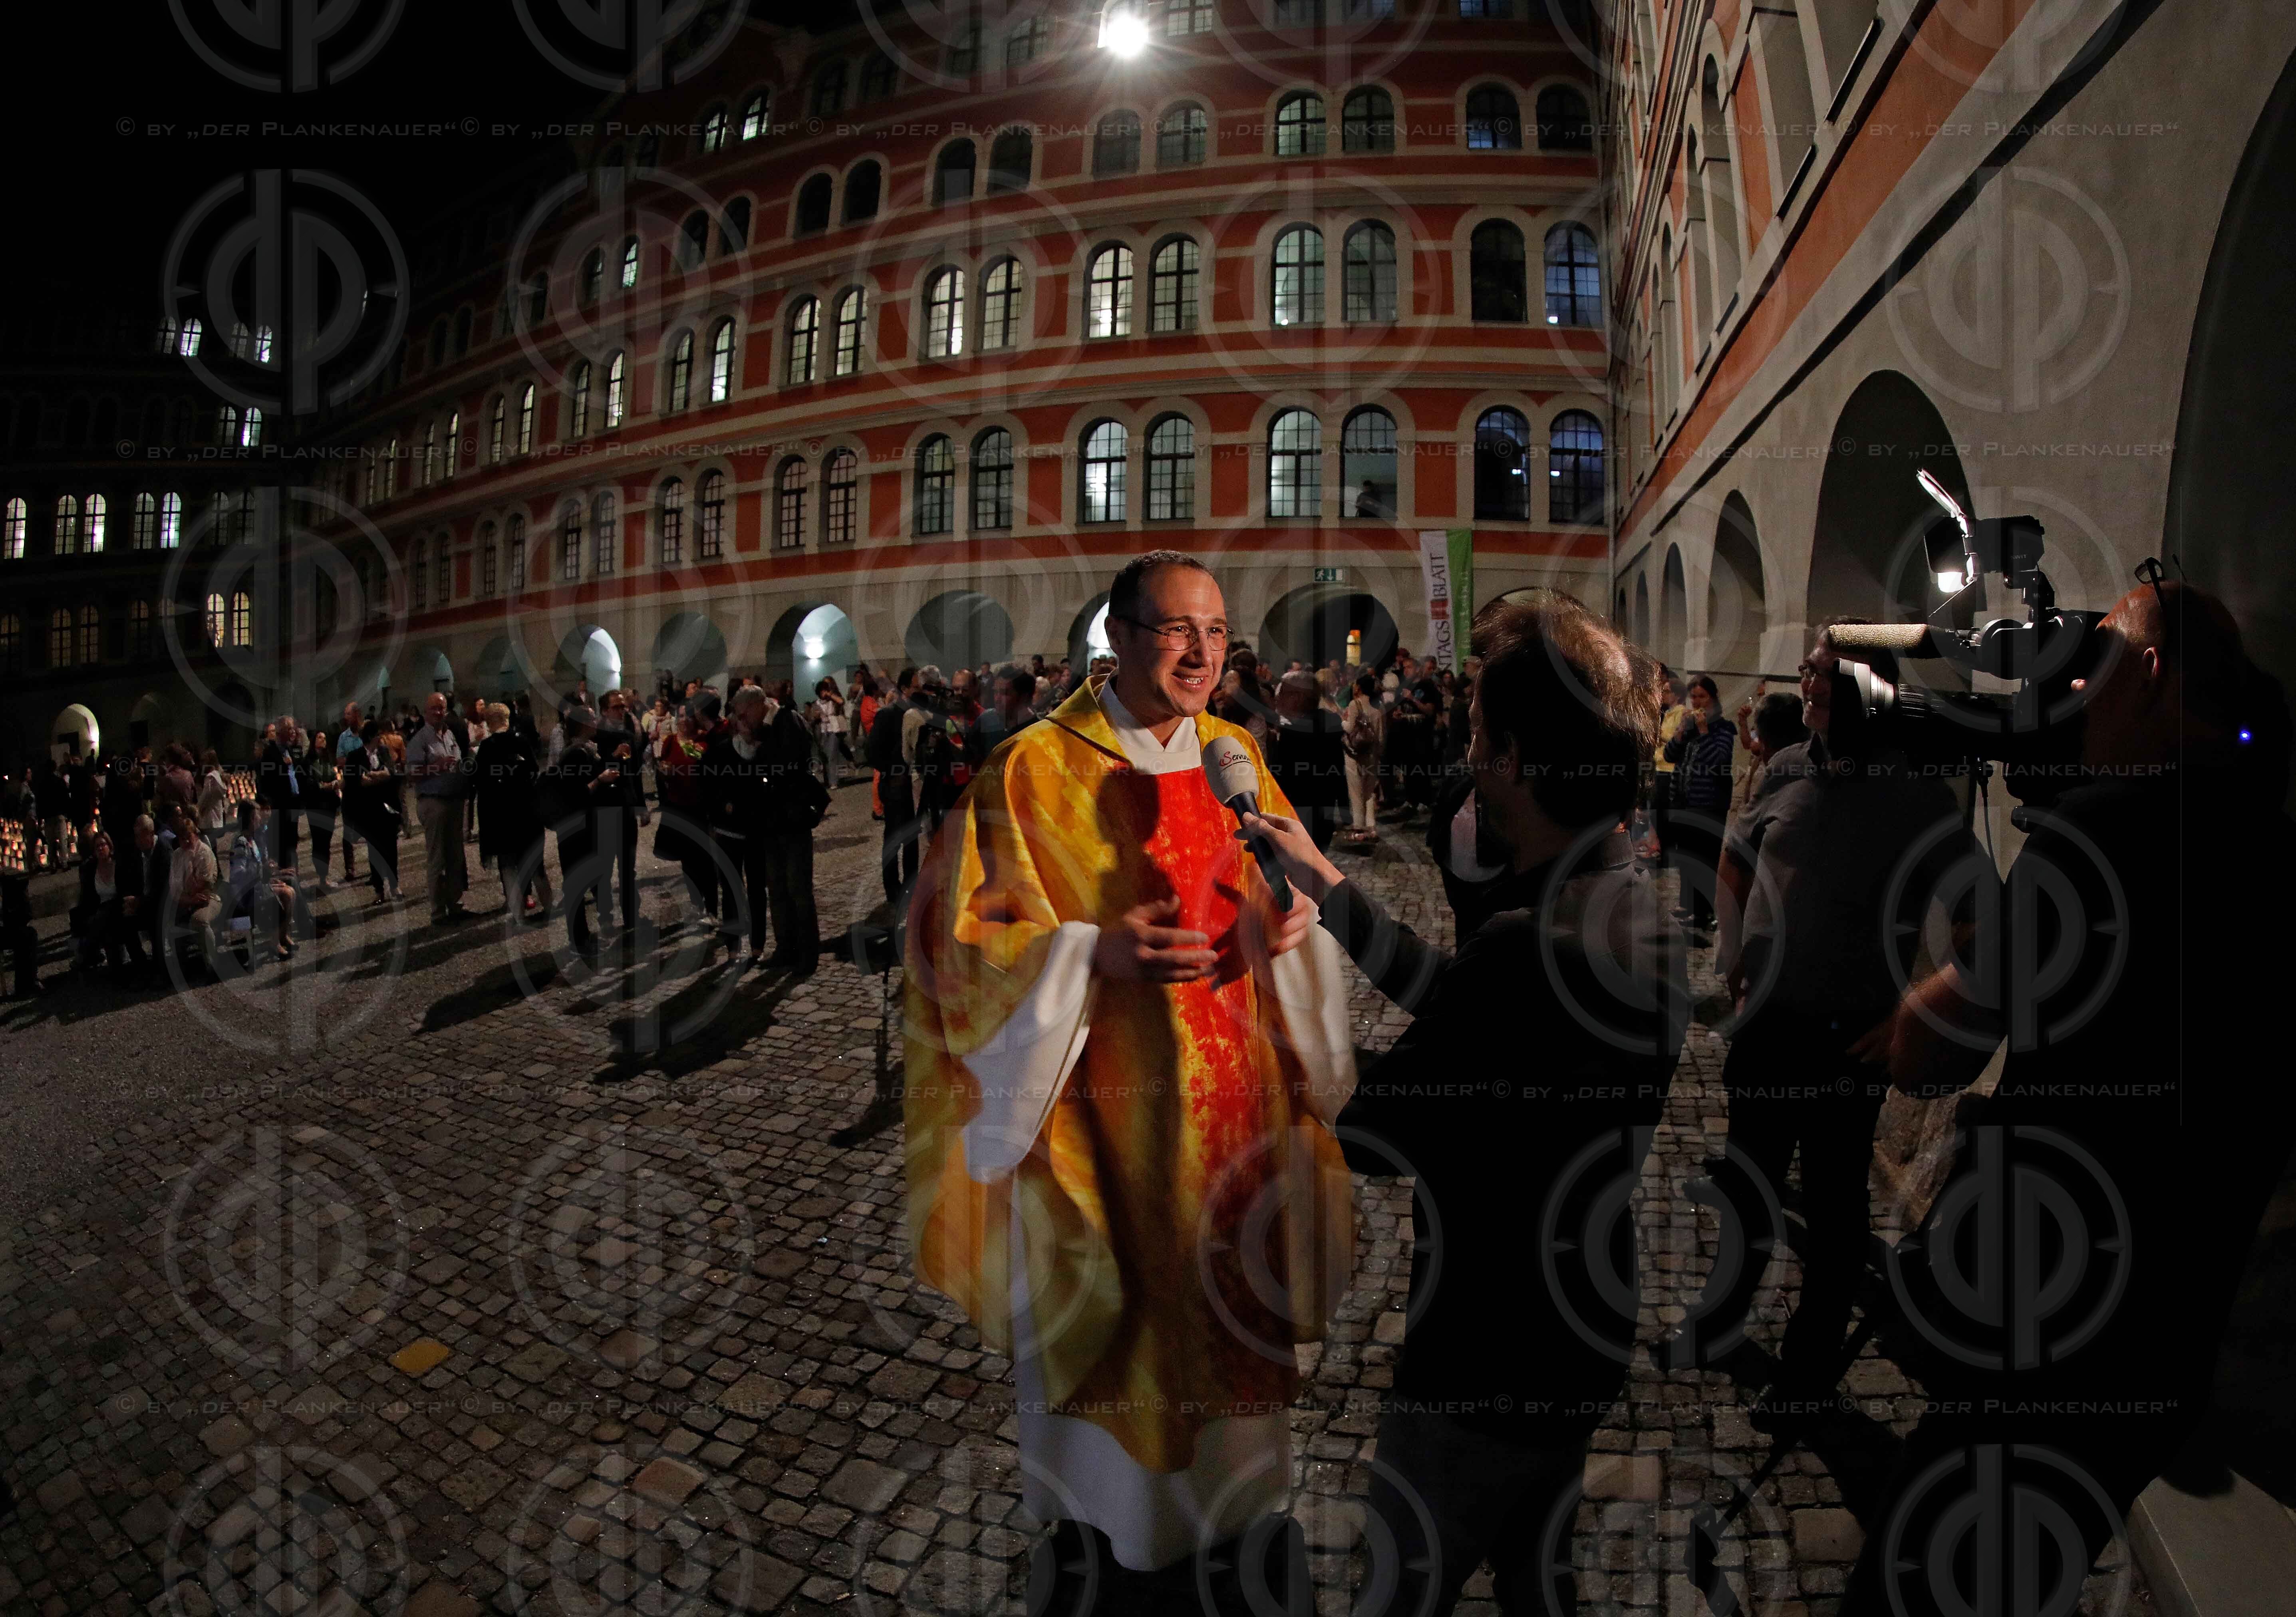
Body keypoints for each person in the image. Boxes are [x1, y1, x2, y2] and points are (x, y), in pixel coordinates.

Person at [1835, 579, 2295, 1616]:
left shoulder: (2099, 840)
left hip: (2039, 1346)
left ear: (2155, 675)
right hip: (2162, 1352)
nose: (2078, 689)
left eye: (2104, 661)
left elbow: (1922, 1051)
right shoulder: (2271, 850)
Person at [904, 550, 1340, 1612]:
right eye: (1175, 630)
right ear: (1120, 636)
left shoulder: (1237, 753)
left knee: (1230, 1306)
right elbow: (952, 943)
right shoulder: (1032, 768)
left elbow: (1286, 882)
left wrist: (1288, 916)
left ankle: (1233, 1506)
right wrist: (1083, 954)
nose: (1201, 652)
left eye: (1217, 632)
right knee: (1123, 1313)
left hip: (1235, 1115)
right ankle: (1107, 1518)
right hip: (1101, 1113)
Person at [1241, 594, 1685, 1617]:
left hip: (1484, 1352)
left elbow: (1371, 1131)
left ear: (1522, 761)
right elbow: (1466, 1004)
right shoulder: (1629, 900)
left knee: (1403, 1587)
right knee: (1539, 1577)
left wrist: (1256, 1025)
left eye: (1481, 736)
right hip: (1581, 1326)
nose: (1468, 756)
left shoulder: (1531, 947)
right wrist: (1332, 891)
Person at [1662, 624, 1979, 1413]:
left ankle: (1806, 1373)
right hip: (1769, 1026)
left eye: (1821, 675)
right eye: (1806, 671)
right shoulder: (1786, 768)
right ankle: (1721, 1322)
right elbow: (1737, 856)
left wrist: (1914, 1009)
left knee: (1836, 1214)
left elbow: (1979, 921)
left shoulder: (1919, 796)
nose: (1804, 684)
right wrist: (1733, 949)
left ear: (1871, 691)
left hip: (1850, 1039)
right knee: (1748, 1186)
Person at [1661, 674, 1737, 932]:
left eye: (1702, 697)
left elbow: (1718, 763)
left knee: (1705, 859)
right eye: (1693, 697)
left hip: (1709, 805)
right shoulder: (1689, 728)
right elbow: (1670, 755)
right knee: (1687, 857)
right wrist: (1682, 731)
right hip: (1684, 802)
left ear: (1713, 699)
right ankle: (1688, 905)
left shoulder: (1724, 729)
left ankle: (1706, 914)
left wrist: (1705, 732)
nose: (1697, 702)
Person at [476, 703, 551, 923]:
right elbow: (534, 771)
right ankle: (549, 907)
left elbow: (482, 783)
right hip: (526, 811)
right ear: (507, 719)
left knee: (508, 866)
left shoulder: (487, 748)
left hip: (501, 815)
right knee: (537, 865)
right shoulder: (521, 742)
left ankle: (518, 916)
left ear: (489, 723)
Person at [405, 692, 472, 926]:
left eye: (442, 708)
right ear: (425, 712)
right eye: (434, 708)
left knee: (456, 856)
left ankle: (455, 905)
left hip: (454, 802)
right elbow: (411, 775)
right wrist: (437, 767)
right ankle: (437, 912)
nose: (438, 712)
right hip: (433, 802)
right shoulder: (419, 740)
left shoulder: (450, 734)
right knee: (437, 859)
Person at [546, 707, 606, 959]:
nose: (597, 722)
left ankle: (588, 936)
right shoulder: (575, 754)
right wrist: (601, 780)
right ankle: (579, 940)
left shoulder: (586, 749)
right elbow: (577, 793)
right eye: (593, 719)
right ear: (584, 724)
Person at [591, 688, 650, 941]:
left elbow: (632, 774)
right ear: (605, 711)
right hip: (604, 808)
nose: (623, 710)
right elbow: (593, 769)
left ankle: (630, 916)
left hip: (625, 807)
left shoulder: (627, 734)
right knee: (603, 866)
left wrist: (641, 805)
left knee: (628, 867)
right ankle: (605, 916)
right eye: (617, 707)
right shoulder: (597, 737)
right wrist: (611, 759)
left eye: (624, 706)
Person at [1267, 668, 1347, 851]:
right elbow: (1338, 770)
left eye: (1283, 693)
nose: (1277, 699)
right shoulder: (1328, 726)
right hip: (1322, 817)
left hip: (1296, 817)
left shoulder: (1294, 734)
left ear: (1298, 698)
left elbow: (1281, 780)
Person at [867, 666, 922, 906]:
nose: (921, 693)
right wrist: (893, 771)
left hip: (916, 783)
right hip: (896, 785)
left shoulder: (922, 714)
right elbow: (873, 753)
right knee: (894, 837)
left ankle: (911, 885)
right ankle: (892, 889)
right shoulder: (888, 714)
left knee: (913, 838)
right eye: (917, 688)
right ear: (904, 689)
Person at [73, 826, 148, 975]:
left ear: (109, 846)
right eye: (97, 847)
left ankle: (87, 949)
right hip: (104, 915)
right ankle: (119, 973)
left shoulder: (118, 866)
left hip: (119, 908)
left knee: (110, 917)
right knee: (107, 931)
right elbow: (88, 898)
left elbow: (126, 891)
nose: (101, 849)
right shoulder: (91, 870)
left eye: (103, 845)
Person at [345, 721, 403, 905]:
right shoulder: (355, 756)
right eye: (378, 735)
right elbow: (356, 782)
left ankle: (395, 885)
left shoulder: (384, 752)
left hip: (387, 806)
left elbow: (392, 773)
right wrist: (380, 776)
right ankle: (379, 889)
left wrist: (375, 776)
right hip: (368, 809)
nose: (381, 738)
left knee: (391, 848)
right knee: (374, 850)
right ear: (371, 737)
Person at [257, 715, 307, 880]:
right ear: (281, 732)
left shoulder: (291, 750)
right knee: (281, 847)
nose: (294, 732)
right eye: (290, 729)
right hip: (279, 808)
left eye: (294, 728)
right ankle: (284, 881)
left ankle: (294, 880)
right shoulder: (270, 753)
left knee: (292, 845)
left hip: (292, 806)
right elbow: (264, 781)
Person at [1340, 671, 1384, 838]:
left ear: (1359, 687)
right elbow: (1380, 736)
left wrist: (1342, 721)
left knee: (1356, 791)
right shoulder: (1379, 707)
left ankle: (1358, 826)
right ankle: (1371, 826)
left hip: (1354, 755)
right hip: (1372, 754)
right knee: (1370, 791)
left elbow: (1350, 728)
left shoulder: (1355, 705)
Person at [303, 728, 340, 897]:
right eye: (320, 737)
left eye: (325, 738)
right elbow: (312, 784)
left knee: (326, 841)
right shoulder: (308, 762)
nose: (323, 740)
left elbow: (333, 775)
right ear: (314, 741)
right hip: (316, 806)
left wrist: (332, 784)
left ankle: (324, 877)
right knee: (319, 842)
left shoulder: (327, 759)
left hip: (329, 806)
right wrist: (327, 786)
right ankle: (322, 878)